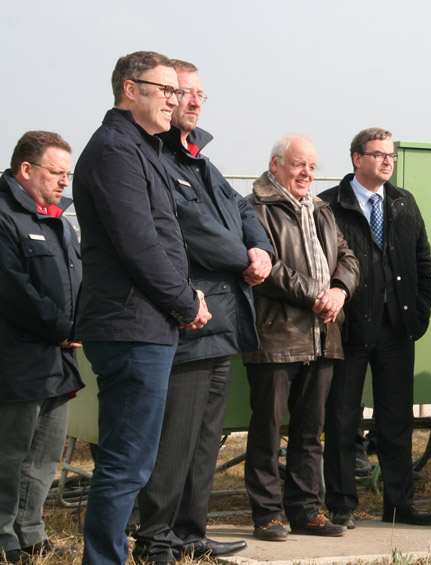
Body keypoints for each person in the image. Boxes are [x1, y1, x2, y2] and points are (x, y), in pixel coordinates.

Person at [73, 51, 211, 565]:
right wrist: (184, 301)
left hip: (146, 322)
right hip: (132, 325)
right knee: (126, 462)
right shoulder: (115, 150)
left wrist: (184, 295)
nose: (176, 100)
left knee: (130, 458)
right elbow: (139, 244)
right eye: (166, 90)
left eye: (180, 92)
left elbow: (163, 238)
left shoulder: (142, 148)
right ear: (131, 89)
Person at [133, 60, 273, 563]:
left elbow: (241, 211)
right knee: (177, 435)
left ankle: (191, 532)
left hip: (224, 320)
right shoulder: (156, 159)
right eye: (181, 93)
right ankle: (155, 537)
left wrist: (261, 250)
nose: (190, 102)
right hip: (188, 318)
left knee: (205, 438)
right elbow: (190, 227)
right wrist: (245, 258)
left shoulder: (202, 162)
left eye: (197, 95)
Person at [320, 128, 431, 529]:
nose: (388, 161)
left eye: (392, 156)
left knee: (396, 419)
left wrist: (418, 315)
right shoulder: (330, 205)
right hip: (348, 331)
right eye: (379, 154)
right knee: (341, 417)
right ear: (357, 158)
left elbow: (424, 263)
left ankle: (398, 503)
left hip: (396, 330)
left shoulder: (404, 202)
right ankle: (341, 504)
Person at [244, 136, 359, 540]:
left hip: (323, 336)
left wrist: (340, 290)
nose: (307, 173)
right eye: (298, 164)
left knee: (311, 432)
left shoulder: (322, 209)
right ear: (275, 165)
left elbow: (347, 257)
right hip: (276, 337)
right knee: (268, 431)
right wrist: (316, 296)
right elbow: (265, 268)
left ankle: (306, 509)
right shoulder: (254, 208)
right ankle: (267, 514)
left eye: (311, 165)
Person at [0, 132, 82, 564]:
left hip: (57, 358)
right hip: (17, 358)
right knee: (10, 453)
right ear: (26, 170)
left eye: (67, 174)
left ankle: (30, 530)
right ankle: (2, 533)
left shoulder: (60, 223)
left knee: (45, 455)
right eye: (56, 172)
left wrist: (80, 324)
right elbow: (14, 290)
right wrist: (63, 326)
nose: (63, 182)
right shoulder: (4, 217)